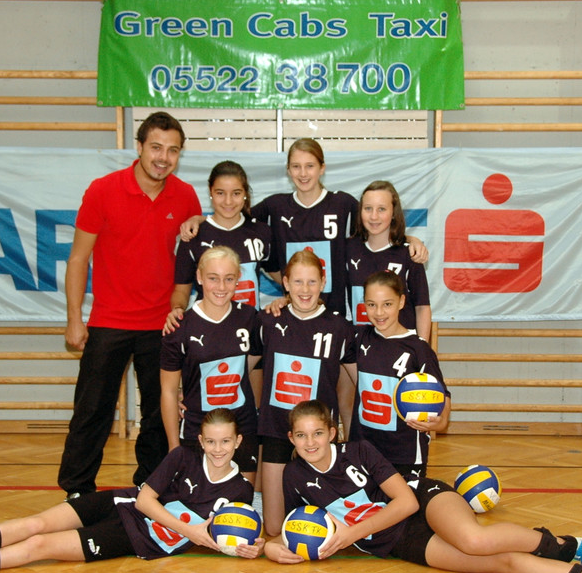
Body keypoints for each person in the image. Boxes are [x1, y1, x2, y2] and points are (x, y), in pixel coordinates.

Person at [263, 401, 582, 573]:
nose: (311, 442)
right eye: (302, 435)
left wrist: (350, 535)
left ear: (333, 432)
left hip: (422, 500)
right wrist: (271, 549)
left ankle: (570, 546)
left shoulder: (360, 451)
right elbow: (285, 531)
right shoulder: (295, 475)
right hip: (401, 542)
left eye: (318, 433)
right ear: (291, 438)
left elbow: (405, 503)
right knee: (502, 563)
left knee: (475, 540)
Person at [0, 408, 262, 573]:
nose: (218, 449)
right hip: (119, 502)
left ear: (238, 441)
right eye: (211, 441)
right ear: (200, 440)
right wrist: (192, 532)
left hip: (132, 537)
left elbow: (230, 534)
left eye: (225, 441)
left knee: (40, 546)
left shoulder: (240, 490)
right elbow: (144, 500)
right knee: (36, 524)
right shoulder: (183, 457)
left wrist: (250, 547)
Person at [57, 111, 202, 496]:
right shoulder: (102, 190)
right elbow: (78, 259)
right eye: (156, 147)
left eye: (173, 150)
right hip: (109, 321)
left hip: (162, 324)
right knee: (92, 410)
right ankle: (77, 489)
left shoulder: (186, 196)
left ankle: (150, 486)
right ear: (139, 147)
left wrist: (200, 221)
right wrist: (74, 318)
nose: (163, 158)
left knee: (158, 413)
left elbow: (196, 252)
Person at [182, 138, 429, 317]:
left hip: (334, 312)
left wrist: (410, 239)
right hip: (294, 311)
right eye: (296, 166)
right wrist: (201, 220)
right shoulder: (275, 205)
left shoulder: (341, 203)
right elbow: (234, 218)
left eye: (310, 166)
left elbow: (375, 225)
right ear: (288, 170)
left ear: (322, 168)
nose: (303, 173)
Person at [256, 250, 356, 536]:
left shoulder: (339, 328)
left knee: (322, 526)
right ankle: (261, 501)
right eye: (298, 282)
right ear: (286, 283)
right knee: (273, 528)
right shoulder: (267, 322)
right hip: (277, 431)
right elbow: (241, 366)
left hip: (319, 438)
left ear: (323, 282)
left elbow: (361, 379)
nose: (305, 289)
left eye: (312, 282)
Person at [160, 246, 261, 482]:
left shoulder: (249, 317)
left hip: (242, 426)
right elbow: (168, 390)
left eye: (229, 279)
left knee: (241, 497)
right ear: (199, 277)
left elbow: (253, 359)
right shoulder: (179, 327)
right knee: (197, 496)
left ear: (238, 279)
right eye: (213, 278)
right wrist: (173, 447)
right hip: (197, 428)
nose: (221, 287)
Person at [348, 270, 449, 485]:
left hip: (405, 454)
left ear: (401, 302)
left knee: (406, 505)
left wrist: (439, 423)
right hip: (363, 449)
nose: (379, 312)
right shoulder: (359, 338)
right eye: (371, 304)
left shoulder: (418, 349)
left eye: (387, 304)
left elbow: (443, 398)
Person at [168, 160, 272, 319]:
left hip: (250, 327)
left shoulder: (261, 232)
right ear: (210, 192)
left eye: (236, 193)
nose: (228, 201)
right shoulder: (193, 235)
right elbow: (182, 289)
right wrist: (177, 308)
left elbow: (283, 276)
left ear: (245, 194)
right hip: (207, 329)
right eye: (220, 193)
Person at [346, 180, 431, 342]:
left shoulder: (410, 254)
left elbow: (422, 307)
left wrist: (422, 350)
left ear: (393, 213)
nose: (374, 216)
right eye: (368, 208)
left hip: (402, 347)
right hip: (361, 347)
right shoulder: (348, 249)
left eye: (382, 209)